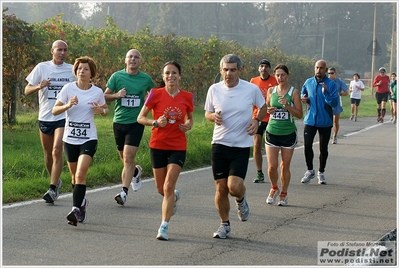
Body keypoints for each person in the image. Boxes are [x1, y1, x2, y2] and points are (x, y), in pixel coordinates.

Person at [204, 54, 267, 239]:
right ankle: (224, 225)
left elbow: (263, 107)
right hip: (219, 144)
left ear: (240, 70)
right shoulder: (214, 90)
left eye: (232, 70)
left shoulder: (251, 89)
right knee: (221, 188)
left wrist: (256, 121)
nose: (228, 74)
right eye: (225, 70)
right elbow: (207, 112)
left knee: (234, 186)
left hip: (240, 145)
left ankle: (241, 198)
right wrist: (212, 117)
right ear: (221, 70)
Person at [137, 61, 194, 241]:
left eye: (174, 73)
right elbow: (140, 118)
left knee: (169, 186)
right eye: (167, 73)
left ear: (179, 76)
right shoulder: (155, 94)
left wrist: (188, 125)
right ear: (163, 77)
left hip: (178, 146)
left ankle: (164, 226)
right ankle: (173, 198)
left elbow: (190, 119)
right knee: (162, 189)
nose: (171, 76)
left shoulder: (187, 96)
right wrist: (155, 123)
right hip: (158, 145)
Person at [52, 56, 108, 226]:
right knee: (74, 178)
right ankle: (82, 204)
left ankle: (75, 210)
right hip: (70, 139)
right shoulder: (68, 89)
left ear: (91, 73)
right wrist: (67, 106)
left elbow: (105, 110)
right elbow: (55, 110)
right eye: (79, 69)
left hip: (88, 138)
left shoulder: (97, 92)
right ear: (75, 72)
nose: (81, 72)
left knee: (81, 174)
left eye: (85, 69)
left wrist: (100, 111)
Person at [24, 40, 77, 203]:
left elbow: (81, 86)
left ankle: (52, 188)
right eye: (59, 50)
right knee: (47, 154)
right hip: (45, 117)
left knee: (56, 150)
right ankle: (56, 179)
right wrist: (40, 86)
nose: (62, 53)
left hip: (62, 116)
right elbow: (27, 90)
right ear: (52, 51)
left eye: (65, 50)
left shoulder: (71, 70)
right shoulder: (42, 67)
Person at [104, 49, 155, 206]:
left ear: (140, 61)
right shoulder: (117, 76)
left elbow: (156, 95)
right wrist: (117, 95)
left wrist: (149, 99)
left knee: (128, 157)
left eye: (136, 57)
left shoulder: (146, 79)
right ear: (125, 60)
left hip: (136, 123)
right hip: (119, 122)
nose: (133, 59)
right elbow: (104, 96)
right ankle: (136, 172)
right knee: (125, 159)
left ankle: (123, 193)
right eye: (130, 57)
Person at [265, 64, 303, 206]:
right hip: (272, 131)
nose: (280, 78)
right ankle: (274, 188)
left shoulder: (294, 92)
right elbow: (267, 107)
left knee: (284, 166)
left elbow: (299, 114)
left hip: (288, 133)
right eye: (277, 75)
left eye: (282, 75)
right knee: (271, 167)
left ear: (287, 76)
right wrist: (270, 110)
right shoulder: (271, 91)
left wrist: (287, 105)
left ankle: (284, 193)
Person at [300, 60, 339, 185]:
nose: (319, 70)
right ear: (314, 68)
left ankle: (321, 172)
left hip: (325, 121)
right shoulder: (308, 82)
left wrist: (326, 92)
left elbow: (334, 103)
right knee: (307, 145)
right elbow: (303, 93)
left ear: (325, 69)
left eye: (321, 68)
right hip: (310, 119)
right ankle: (310, 170)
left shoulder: (331, 84)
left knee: (323, 148)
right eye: (317, 67)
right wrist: (303, 98)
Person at [250, 59, 278, 183]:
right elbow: (250, 100)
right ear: (258, 68)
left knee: (272, 146)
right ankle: (259, 172)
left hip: (272, 118)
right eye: (261, 66)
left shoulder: (275, 81)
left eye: (266, 66)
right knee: (256, 144)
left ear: (269, 69)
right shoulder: (253, 81)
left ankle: (273, 170)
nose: (263, 68)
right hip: (258, 117)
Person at [327, 68, 348, 144]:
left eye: (332, 73)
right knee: (327, 121)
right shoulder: (326, 81)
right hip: (327, 103)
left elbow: (346, 92)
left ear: (335, 73)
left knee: (335, 121)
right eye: (329, 73)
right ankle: (326, 136)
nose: (330, 75)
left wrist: (340, 94)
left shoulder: (339, 81)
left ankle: (335, 136)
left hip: (336, 103)